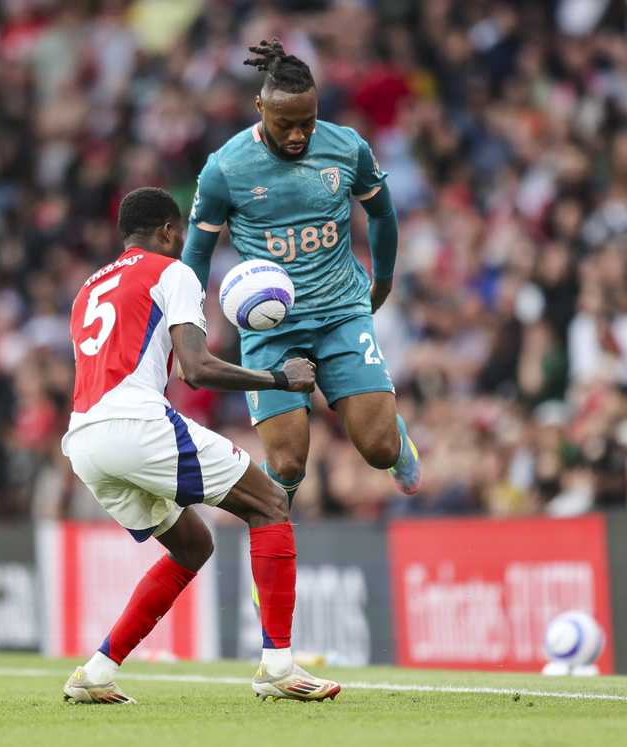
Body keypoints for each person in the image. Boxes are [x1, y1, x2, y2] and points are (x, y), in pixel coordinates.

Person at [59, 187, 340, 704]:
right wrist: (281, 378)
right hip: (135, 424)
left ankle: (96, 672)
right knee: (270, 503)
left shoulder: (87, 289)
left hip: (84, 441)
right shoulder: (173, 271)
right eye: (180, 231)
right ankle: (277, 666)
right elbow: (197, 368)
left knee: (193, 545)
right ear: (168, 229)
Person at [181, 39, 421, 508]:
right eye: (284, 124)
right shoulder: (225, 169)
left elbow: (383, 215)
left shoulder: (346, 148)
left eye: (306, 123)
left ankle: (396, 438)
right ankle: (271, 541)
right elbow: (197, 253)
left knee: (378, 450)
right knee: (289, 462)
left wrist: (384, 279)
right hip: (270, 324)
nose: (296, 135)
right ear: (259, 108)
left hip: (340, 310)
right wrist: (189, 320)